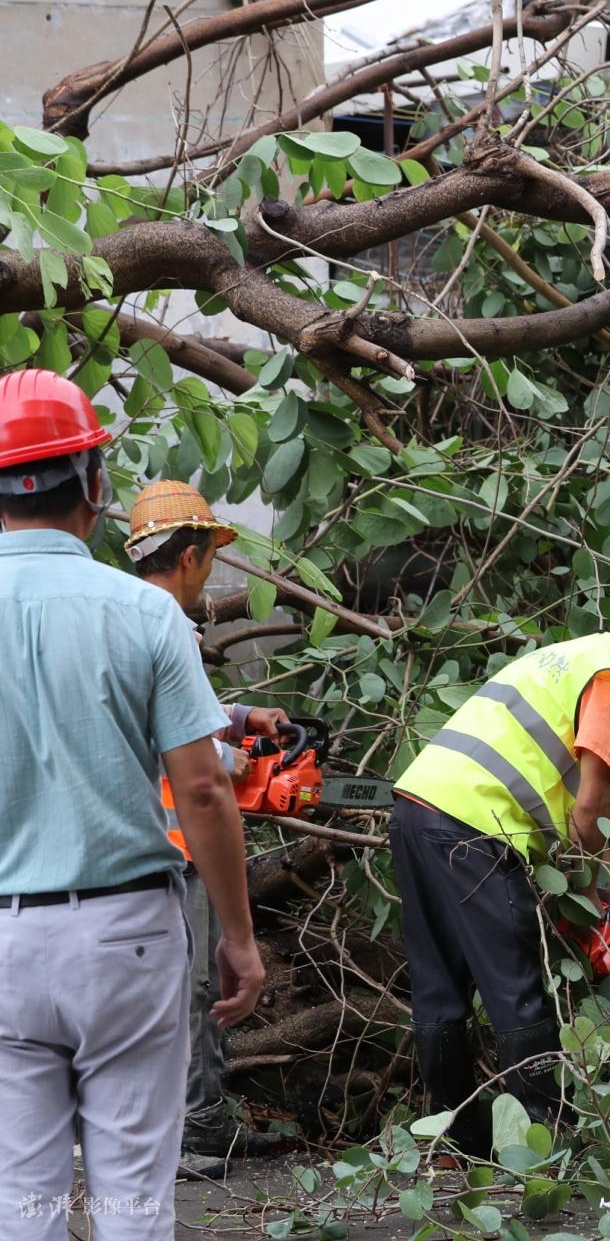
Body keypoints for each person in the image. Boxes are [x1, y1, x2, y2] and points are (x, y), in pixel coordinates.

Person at [0, 369, 265, 1241]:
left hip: (3, 942)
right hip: (126, 936)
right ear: (95, 483)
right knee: (132, 1200)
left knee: (20, 1199)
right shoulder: (145, 613)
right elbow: (203, 786)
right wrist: (237, 936)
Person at [387, 565, 610, 1156]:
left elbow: (570, 809)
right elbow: (589, 808)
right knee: (516, 991)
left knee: (439, 990)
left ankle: (458, 1144)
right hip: (475, 828)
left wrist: (599, 888)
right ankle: (544, 1147)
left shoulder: (578, 654)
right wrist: (604, 898)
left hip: (419, 809)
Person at [125, 480, 294, 1172]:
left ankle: (205, 1116)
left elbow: (177, 708)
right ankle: (194, 1127)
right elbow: (164, 736)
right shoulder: (162, 625)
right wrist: (231, 758)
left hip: (155, 841)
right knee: (193, 986)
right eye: (211, 555)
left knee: (193, 984)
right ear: (191, 556)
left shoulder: (130, 619)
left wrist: (245, 716)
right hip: (172, 838)